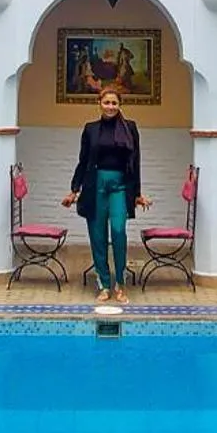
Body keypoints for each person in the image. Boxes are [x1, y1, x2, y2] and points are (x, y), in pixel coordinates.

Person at [62, 88, 152, 303]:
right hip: (95, 186)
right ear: (99, 104)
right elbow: (83, 161)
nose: (110, 106)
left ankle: (120, 283)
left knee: (119, 231)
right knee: (98, 235)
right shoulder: (91, 129)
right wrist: (74, 190)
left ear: (120, 104)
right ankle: (103, 284)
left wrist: (137, 194)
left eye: (114, 103)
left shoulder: (130, 128)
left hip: (120, 186)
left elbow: (135, 162)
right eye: (107, 102)